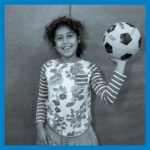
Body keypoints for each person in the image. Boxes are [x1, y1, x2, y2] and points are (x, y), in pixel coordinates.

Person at [35, 16, 127, 145]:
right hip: (52, 136)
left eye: (70, 36)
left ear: (78, 39)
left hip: (81, 138)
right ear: (54, 44)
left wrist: (120, 65)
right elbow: (41, 100)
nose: (65, 41)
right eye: (59, 38)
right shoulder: (47, 67)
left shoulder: (90, 68)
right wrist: (39, 127)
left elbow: (109, 97)